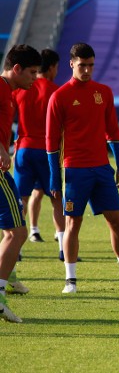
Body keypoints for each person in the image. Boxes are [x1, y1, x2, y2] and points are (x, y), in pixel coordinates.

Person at [47, 43, 119, 295]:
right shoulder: (59, 96)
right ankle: (70, 280)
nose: (87, 70)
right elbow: (51, 142)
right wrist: (55, 179)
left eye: (90, 65)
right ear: (71, 64)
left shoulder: (104, 92)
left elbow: (112, 131)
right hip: (74, 171)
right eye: (82, 65)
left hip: (102, 169)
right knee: (72, 224)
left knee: (116, 221)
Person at [0, 44, 41, 323]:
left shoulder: (8, 91)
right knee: (17, 232)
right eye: (32, 72)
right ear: (16, 69)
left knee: (12, 231)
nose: (34, 78)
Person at [12, 48, 64, 258]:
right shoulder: (56, 91)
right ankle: (63, 247)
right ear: (51, 68)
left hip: (23, 148)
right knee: (56, 199)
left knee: (21, 199)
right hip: (47, 150)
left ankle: (17, 248)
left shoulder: (20, 89)